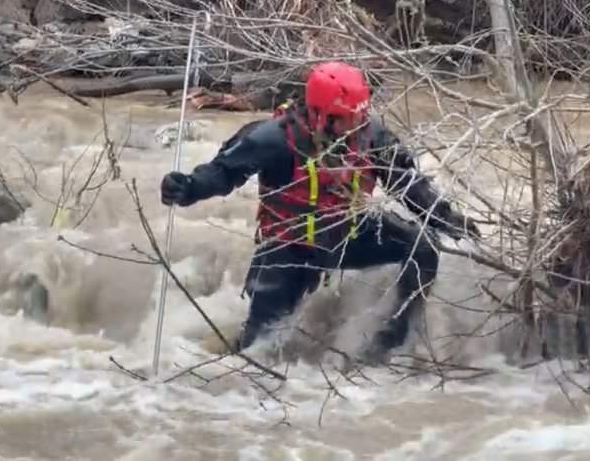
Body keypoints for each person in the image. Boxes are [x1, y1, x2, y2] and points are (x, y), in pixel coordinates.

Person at [160, 61, 480, 361]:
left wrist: (447, 219)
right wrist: (188, 188)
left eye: (358, 117)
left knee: (422, 247)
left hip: (348, 236)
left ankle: (393, 341)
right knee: (258, 349)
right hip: (288, 249)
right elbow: (223, 173)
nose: (353, 126)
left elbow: (408, 184)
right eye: (343, 119)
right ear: (317, 114)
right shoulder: (273, 138)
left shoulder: (372, 136)